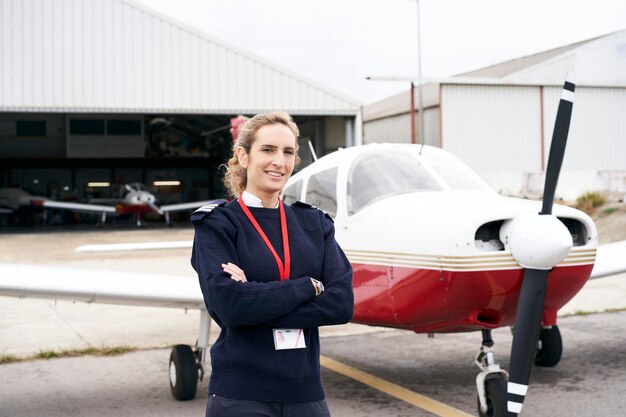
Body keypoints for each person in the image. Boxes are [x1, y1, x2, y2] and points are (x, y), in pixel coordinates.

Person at [191, 111, 354, 417]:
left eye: (288, 152)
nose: (279, 162)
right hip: (240, 394)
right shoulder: (218, 224)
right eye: (268, 150)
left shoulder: (315, 224)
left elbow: (341, 304)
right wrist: (307, 286)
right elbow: (228, 305)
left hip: (305, 393)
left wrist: (252, 299)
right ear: (243, 155)